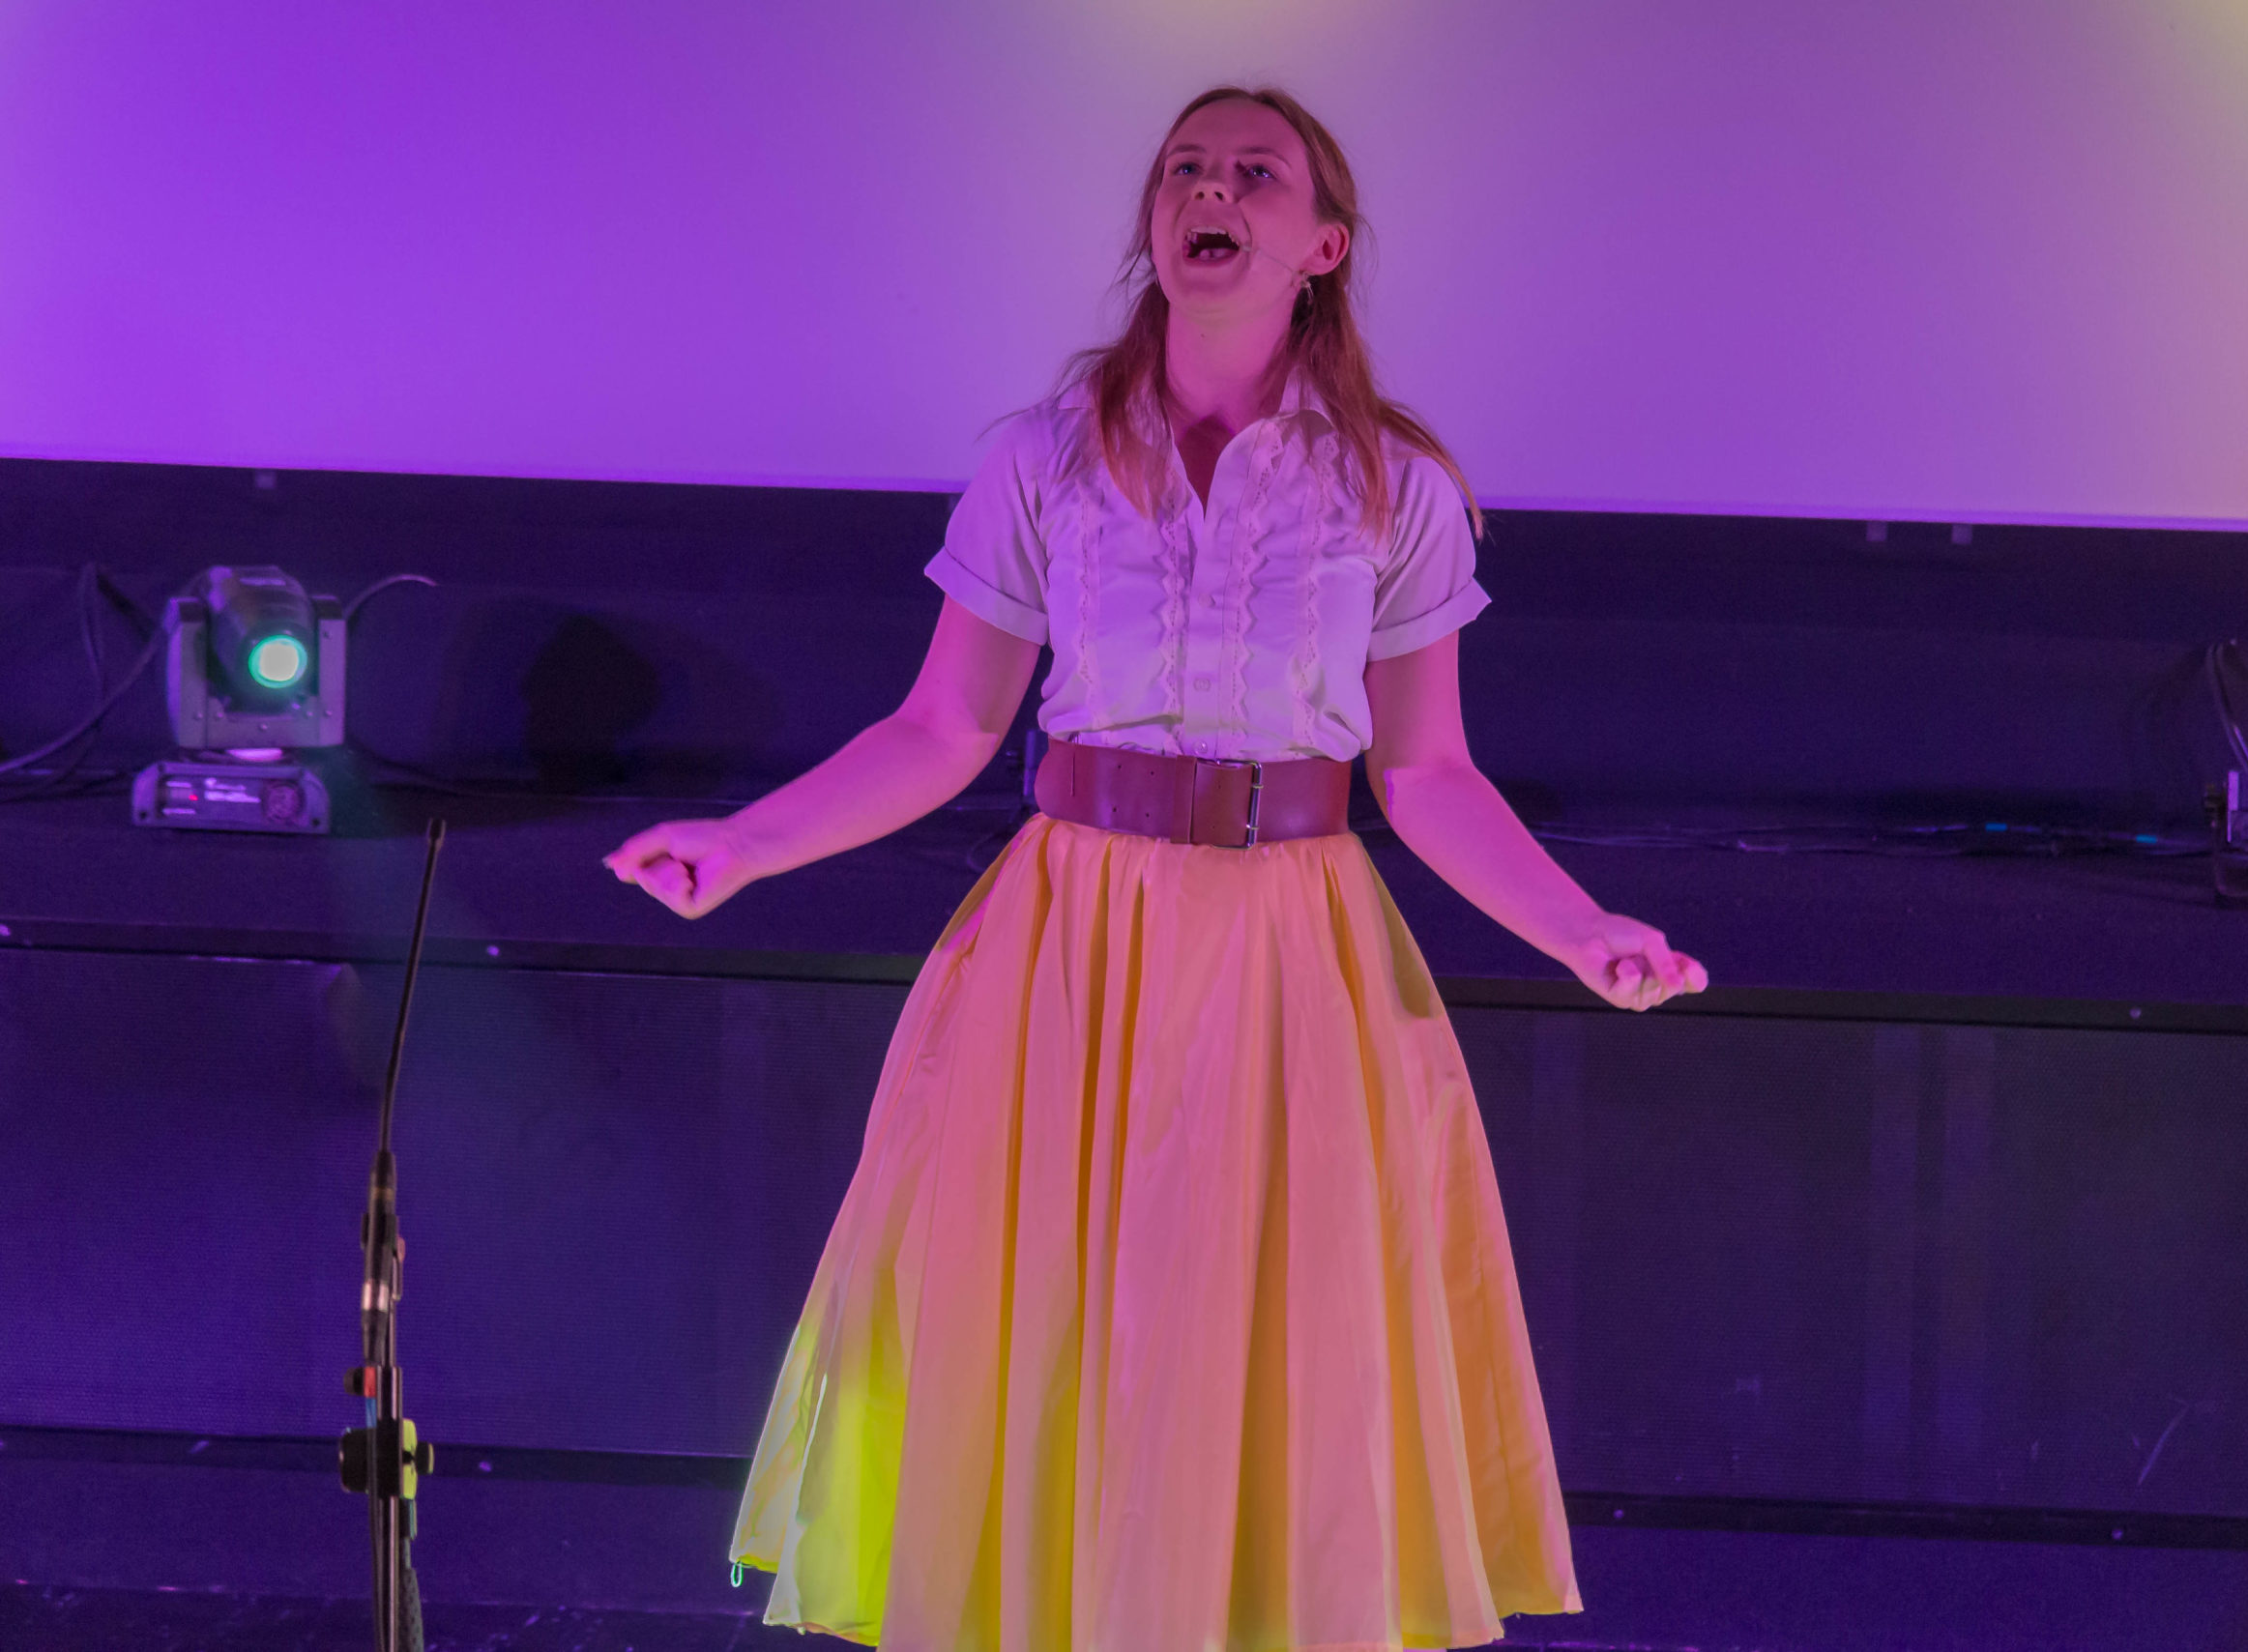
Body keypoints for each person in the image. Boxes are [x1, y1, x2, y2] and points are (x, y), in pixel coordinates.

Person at [604, 84, 1708, 1652]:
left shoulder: (1392, 485)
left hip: (1287, 952)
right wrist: (744, 844)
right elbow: (942, 725)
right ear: (1154, 222)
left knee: (1261, 1342)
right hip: (1071, 945)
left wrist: (1582, 926)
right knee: (1045, 1328)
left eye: (1256, 173)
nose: (1213, 189)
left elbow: (1427, 773)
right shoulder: (1046, 458)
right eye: (1187, 167)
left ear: (1322, 245)